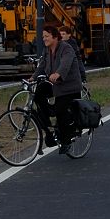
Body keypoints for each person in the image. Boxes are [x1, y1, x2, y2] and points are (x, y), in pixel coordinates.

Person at [33, 25, 83, 153]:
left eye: (46, 36)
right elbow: (42, 65)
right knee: (38, 93)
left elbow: (65, 63)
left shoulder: (66, 48)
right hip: (55, 85)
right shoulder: (47, 50)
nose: (44, 39)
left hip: (69, 87)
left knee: (61, 110)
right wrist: (32, 78)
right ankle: (48, 125)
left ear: (55, 37)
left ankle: (66, 140)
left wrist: (58, 73)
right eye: (43, 36)